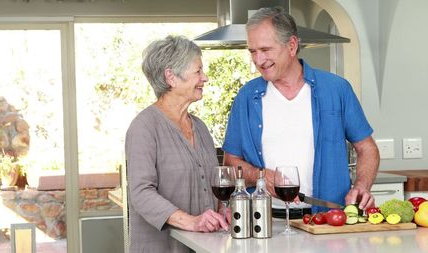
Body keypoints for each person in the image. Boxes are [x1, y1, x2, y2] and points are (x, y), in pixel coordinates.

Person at [222, 7, 380, 216]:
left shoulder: (337, 89)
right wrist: (262, 176)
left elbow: (367, 149)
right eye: (253, 51)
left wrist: (362, 186)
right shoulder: (246, 97)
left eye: (266, 50)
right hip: (265, 220)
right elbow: (230, 164)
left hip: (327, 219)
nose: (259, 61)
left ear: (292, 45)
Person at [125, 35, 229, 253]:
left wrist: (223, 209)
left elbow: (213, 184)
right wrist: (191, 221)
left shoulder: (200, 128)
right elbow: (141, 193)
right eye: (198, 71)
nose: (205, 78)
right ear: (171, 77)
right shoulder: (144, 127)